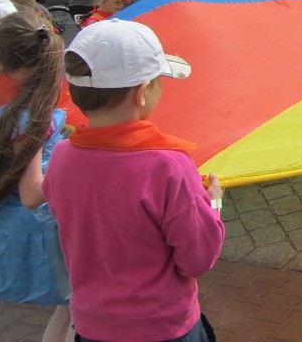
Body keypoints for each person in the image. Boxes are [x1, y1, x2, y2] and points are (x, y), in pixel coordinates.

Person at [43, 19, 225, 342]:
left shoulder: (60, 158)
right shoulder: (169, 165)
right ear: (143, 93)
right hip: (164, 328)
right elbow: (197, 258)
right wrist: (214, 202)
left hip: (92, 327)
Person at [0, 12, 72, 342]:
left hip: (3, 226)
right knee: (80, 311)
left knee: (71, 309)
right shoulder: (31, 116)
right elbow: (32, 191)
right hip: (39, 231)